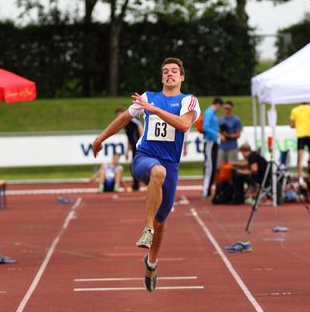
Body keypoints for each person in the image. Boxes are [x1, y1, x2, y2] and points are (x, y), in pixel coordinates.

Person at [92, 57, 200, 292]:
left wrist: (154, 110)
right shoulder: (148, 97)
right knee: (156, 172)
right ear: (162, 77)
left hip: (171, 165)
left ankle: (151, 262)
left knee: (163, 222)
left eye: (174, 71)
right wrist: (100, 138)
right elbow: (124, 118)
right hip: (145, 158)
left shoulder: (188, 101)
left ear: (182, 77)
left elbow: (183, 125)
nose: (169, 74)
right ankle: (146, 229)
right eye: (165, 71)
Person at [115, 106, 143, 191]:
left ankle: (141, 185)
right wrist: (127, 151)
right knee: (133, 166)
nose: (118, 117)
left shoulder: (133, 120)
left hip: (140, 146)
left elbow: (140, 127)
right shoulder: (125, 125)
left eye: (120, 115)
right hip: (134, 147)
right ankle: (136, 186)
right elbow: (129, 139)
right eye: (117, 116)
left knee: (138, 166)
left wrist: (141, 143)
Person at [201, 97, 224, 198]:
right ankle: (206, 191)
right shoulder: (209, 113)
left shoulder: (213, 113)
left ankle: (208, 190)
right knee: (209, 167)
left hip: (214, 142)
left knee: (213, 167)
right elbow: (205, 127)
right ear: (218, 104)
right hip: (209, 142)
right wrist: (217, 134)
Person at [289, 102, 310, 185]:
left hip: (301, 135)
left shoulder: (295, 110)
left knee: (300, 157)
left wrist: (299, 124)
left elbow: (292, 125)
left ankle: (300, 177)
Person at [217, 100, 243, 167]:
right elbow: (217, 131)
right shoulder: (220, 119)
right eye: (225, 108)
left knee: (232, 167)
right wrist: (220, 134)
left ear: (231, 109)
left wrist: (228, 136)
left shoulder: (236, 120)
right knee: (220, 166)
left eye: (228, 108)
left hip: (232, 146)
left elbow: (238, 134)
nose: (227, 110)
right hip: (222, 146)